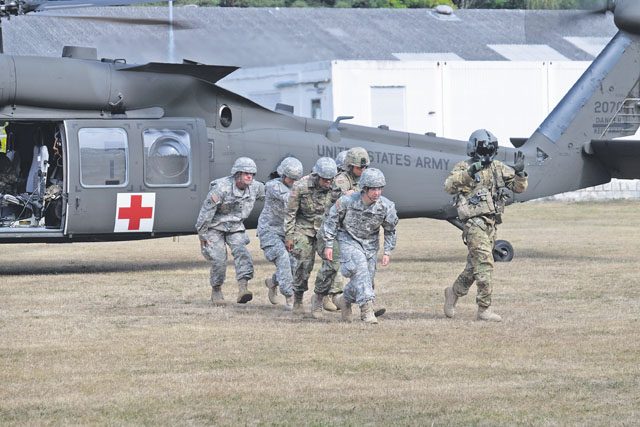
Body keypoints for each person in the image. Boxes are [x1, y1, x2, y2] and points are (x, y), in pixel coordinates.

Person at [443, 129, 528, 322]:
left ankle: (453, 292)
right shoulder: (464, 167)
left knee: (475, 266)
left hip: (491, 224)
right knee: (485, 264)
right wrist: (471, 172)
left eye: (491, 149)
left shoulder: (498, 167)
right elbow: (449, 186)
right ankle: (484, 309)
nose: (487, 153)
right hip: (474, 224)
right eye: (484, 148)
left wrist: (520, 173)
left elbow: (519, 188)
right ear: (474, 149)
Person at [324, 168, 398, 324]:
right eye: (373, 189)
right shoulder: (347, 201)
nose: (377, 193)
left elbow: (391, 230)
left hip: (370, 246)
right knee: (360, 268)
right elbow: (331, 221)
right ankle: (367, 311)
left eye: (379, 189)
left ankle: (343, 300)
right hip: (348, 240)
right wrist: (329, 244)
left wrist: (387, 251)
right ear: (365, 188)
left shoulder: (386, 206)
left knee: (365, 280)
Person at [195, 157, 265, 305]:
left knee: (242, 252)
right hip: (215, 227)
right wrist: (202, 235)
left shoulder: (255, 187)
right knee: (219, 260)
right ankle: (216, 289)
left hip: (235, 227)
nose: (249, 176)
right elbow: (206, 212)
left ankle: (243, 288)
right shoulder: (221, 188)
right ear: (237, 174)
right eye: (246, 173)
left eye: (252, 174)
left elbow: (273, 190)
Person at [315, 147, 375, 313]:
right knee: (331, 267)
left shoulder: (364, 179)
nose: (362, 170)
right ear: (349, 166)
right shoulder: (341, 179)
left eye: (365, 167)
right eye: (359, 167)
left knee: (364, 266)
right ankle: (320, 298)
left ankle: (366, 303)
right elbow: (349, 197)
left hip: (352, 231)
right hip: (334, 229)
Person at [284, 157, 338, 317]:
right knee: (302, 265)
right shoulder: (300, 186)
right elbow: (290, 213)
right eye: (325, 179)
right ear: (317, 175)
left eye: (330, 179)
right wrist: (289, 236)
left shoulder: (336, 186)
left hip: (325, 230)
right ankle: (298, 299)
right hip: (303, 228)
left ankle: (319, 298)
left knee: (333, 263)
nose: (328, 182)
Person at [258, 157, 304, 310]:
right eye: (291, 178)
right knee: (283, 258)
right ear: (283, 175)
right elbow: (289, 199)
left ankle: (272, 282)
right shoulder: (273, 186)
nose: (293, 181)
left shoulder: (298, 187)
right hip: (270, 230)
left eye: (296, 179)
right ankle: (290, 297)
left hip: (288, 232)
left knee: (294, 265)